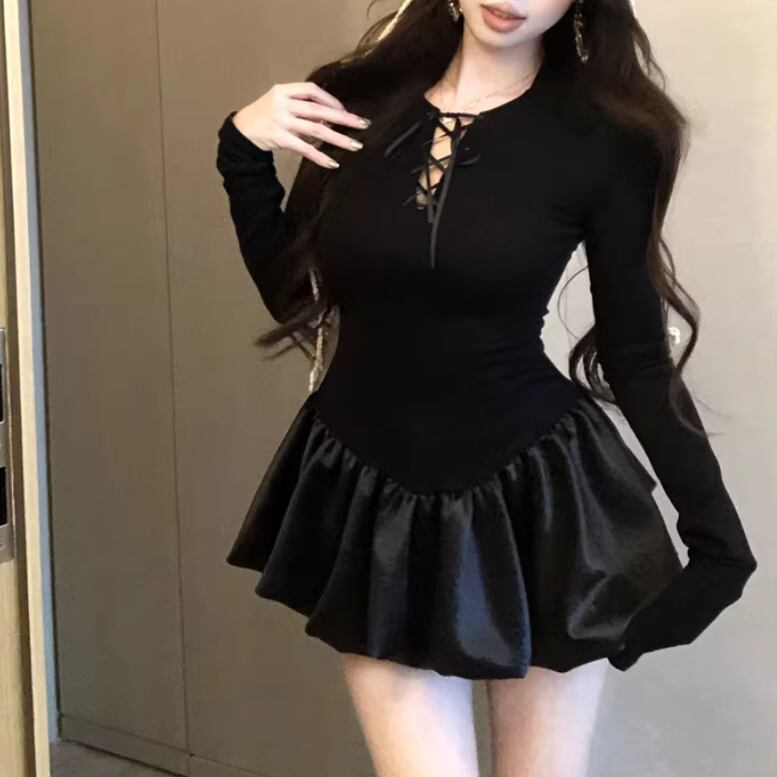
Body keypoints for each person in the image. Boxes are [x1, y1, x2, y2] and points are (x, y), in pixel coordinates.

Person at [214, 1, 758, 775]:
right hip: (370, 493)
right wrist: (240, 150)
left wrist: (716, 539)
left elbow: (634, 355)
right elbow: (297, 296)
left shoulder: (606, 138)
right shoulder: (352, 101)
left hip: (539, 502)